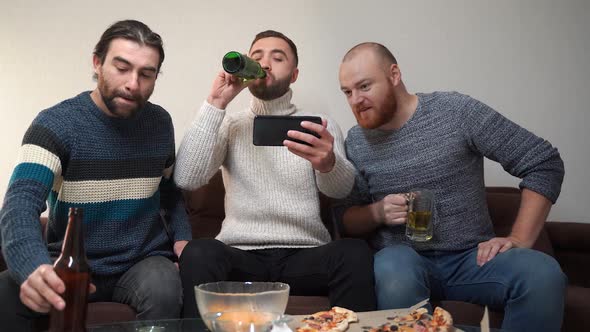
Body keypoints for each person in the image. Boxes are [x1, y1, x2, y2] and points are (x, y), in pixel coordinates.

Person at [336, 42, 566, 331]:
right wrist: (378, 213)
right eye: (347, 92)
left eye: (364, 86)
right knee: (392, 265)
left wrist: (519, 239)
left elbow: (543, 161)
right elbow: (345, 221)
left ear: (394, 75)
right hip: (403, 263)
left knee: (543, 273)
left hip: (472, 259)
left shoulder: (456, 112)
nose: (355, 100)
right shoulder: (356, 141)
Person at [0, 20, 191, 330]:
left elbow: (169, 192)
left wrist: (183, 239)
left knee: (165, 287)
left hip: (142, 262)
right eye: (122, 67)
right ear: (97, 63)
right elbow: (20, 202)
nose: (133, 83)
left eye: (146, 74)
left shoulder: (159, 123)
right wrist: (33, 268)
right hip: (69, 261)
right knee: (5, 294)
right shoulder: (55, 124)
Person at [174, 30, 376, 317]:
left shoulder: (320, 126)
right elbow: (187, 179)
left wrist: (328, 163)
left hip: (304, 254)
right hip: (241, 254)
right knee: (199, 252)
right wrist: (216, 103)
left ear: (294, 74)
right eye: (257, 57)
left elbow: (340, 191)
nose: (265, 64)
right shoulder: (230, 124)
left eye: (277, 57)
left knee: (354, 252)